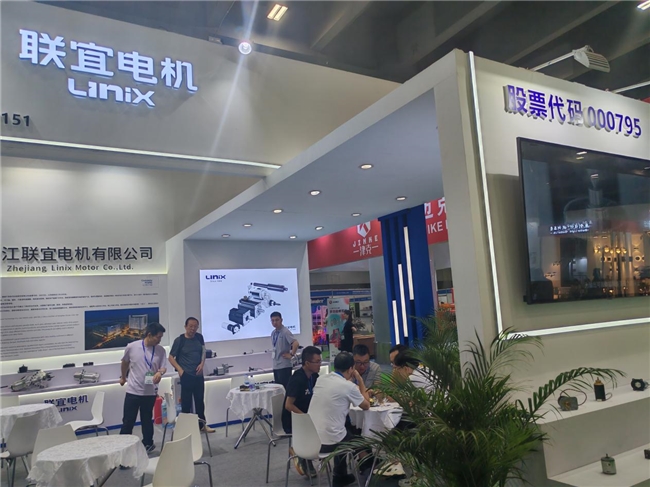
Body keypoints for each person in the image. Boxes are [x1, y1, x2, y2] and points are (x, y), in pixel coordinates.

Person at [309, 352, 370, 487]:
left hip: (310, 439)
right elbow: (366, 405)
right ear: (351, 369)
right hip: (329, 442)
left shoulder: (321, 379)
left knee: (341, 430)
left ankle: (340, 476)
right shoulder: (348, 387)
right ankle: (369, 471)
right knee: (356, 438)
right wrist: (359, 380)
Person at [119, 322, 167, 453]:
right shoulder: (132, 347)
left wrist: (160, 373)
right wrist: (123, 377)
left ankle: (148, 443)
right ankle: (122, 447)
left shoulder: (160, 350)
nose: (159, 340)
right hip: (133, 391)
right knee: (128, 421)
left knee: (147, 419)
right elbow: (124, 362)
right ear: (149, 335)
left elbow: (163, 367)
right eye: (158, 337)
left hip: (150, 392)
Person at [168, 317, 215, 433]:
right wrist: (180, 370)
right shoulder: (180, 340)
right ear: (185, 327)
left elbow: (203, 351)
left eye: (195, 326)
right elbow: (171, 357)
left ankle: (202, 425)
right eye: (190, 326)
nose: (193, 329)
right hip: (186, 375)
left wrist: (202, 363)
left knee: (200, 402)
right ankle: (186, 428)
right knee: (186, 403)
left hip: (198, 376)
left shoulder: (199, 337)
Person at [283, 346, 322, 478]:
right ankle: (303, 455)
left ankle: (312, 453)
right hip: (293, 419)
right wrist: (306, 417)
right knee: (313, 426)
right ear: (307, 363)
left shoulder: (315, 377)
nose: (320, 364)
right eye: (317, 362)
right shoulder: (297, 379)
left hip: (308, 415)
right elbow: (288, 405)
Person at [270, 311, 299, 389]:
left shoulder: (285, 332)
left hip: (284, 366)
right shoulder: (273, 333)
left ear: (281, 320)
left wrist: (291, 354)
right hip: (276, 365)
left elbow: (295, 343)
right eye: (272, 320)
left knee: (285, 388)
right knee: (278, 389)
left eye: (277, 320)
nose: (275, 322)